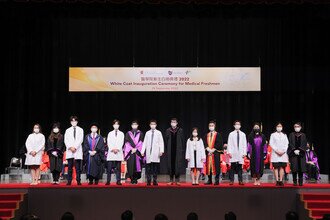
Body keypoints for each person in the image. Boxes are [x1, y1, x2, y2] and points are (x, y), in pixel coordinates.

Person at [141, 120, 164, 186]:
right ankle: (148, 180)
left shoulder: (159, 133)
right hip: (149, 152)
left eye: (154, 124)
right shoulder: (147, 133)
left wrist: (161, 151)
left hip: (156, 153)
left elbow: (161, 142)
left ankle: (154, 180)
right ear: (150, 125)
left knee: (155, 168)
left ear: (156, 125)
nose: (153, 125)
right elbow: (145, 142)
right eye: (151, 124)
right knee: (148, 168)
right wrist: (142, 151)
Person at [164, 118, 185, 185]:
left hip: (178, 150)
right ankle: (171, 180)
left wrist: (181, 149)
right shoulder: (168, 130)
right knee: (170, 165)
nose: (173, 123)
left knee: (178, 165)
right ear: (170, 123)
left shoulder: (180, 130)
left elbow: (182, 140)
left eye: (174, 122)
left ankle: (177, 180)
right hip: (170, 151)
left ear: (177, 123)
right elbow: (166, 141)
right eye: (172, 122)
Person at [64, 116, 84, 185]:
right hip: (70, 150)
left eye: (75, 121)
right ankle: (69, 181)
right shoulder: (67, 130)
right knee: (70, 167)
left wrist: (75, 147)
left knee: (78, 168)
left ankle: (78, 180)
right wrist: (70, 147)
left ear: (77, 122)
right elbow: (66, 140)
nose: (74, 122)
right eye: (72, 121)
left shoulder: (81, 130)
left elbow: (81, 139)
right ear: (70, 122)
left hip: (77, 150)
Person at [227, 120, 247, 185]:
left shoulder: (243, 134)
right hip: (233, 153)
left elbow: (245, 144)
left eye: (238, 124)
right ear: (234, 126)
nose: (237, 125)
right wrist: (229, 152)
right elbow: (229, 143)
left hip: (240, 153)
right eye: (236, 124)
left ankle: (240, 180)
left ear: (240, 126)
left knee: (239, 167)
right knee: (232, 167)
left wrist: (244, 153)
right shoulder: (231, 134)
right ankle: (231, 180)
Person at [288, 122, 307, 186]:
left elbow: (304, 144)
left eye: (298, 126)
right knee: (294, 168)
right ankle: (294, 181)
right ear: (294, 128)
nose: (297, 128)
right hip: (293, 154)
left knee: (301, 168)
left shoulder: (303, 135)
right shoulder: (291, 134)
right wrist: (294, 150)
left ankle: (300, 181)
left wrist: (300, 150)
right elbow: (290, 143)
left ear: (300, 127)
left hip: (301, 154)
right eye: (295, 126)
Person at [204, 120, 223, 185]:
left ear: (214, 126)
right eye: (210, 126)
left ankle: (216, 180)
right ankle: (209, 180)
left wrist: (213, 150)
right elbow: (205, 143)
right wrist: (208, 149)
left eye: (212, 126)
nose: (211, 127)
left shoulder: (218, 134)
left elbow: (219, 143)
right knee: (209, 167)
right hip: (208, 153)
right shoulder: (207, 135)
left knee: (216, 166)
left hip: (215, 153)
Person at [106, 119, 125, 185]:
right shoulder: (110, 133)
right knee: (109, 168)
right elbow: (109, 142)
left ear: (119, 125)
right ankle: (108, 181)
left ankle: (118, 181)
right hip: (111, 152)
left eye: (117, 124)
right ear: (113, 125)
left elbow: (121, 142)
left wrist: (117, 149)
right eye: (115, 124)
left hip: (118, 152)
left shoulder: (121, 133)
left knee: (118, 168)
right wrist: (112, 149)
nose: (116, 125)